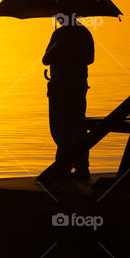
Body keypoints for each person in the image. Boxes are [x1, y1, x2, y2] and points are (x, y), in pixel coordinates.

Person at [40, 14, 94, 180]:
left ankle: (71, 166)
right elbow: (46, 59)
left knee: (66, 126)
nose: (57, 18)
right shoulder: (82, 33)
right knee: (70, 126)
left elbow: (46, 59)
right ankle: (70, 164)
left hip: (67, 88)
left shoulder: (63, 35)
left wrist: (63, 48)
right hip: (70, 87)